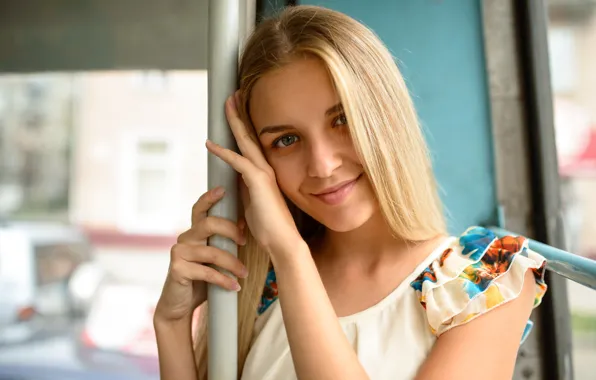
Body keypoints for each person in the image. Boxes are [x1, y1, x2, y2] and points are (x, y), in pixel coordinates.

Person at [153, 5, 548, 380]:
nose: (322, 165)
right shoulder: (260, 285)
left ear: (385, 117)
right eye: (286, 140)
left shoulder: (485, 279)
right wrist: (171, 325)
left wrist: (291, 253)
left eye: (341, 119)